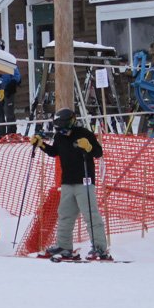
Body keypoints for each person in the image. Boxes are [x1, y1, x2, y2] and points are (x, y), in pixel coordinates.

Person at [29, 108, 110, 260]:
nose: (63, 132)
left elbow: (98, 153)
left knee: (90, 215)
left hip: (84, 181)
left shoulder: (84, 133)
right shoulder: (60, 137)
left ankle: (100, 248)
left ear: (72, 123)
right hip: (67, 182)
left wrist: (89, 147)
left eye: (64, 129)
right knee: (65, 215)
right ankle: (64, 246)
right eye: (59, 129)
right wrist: (41, 145)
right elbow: (55, 152)